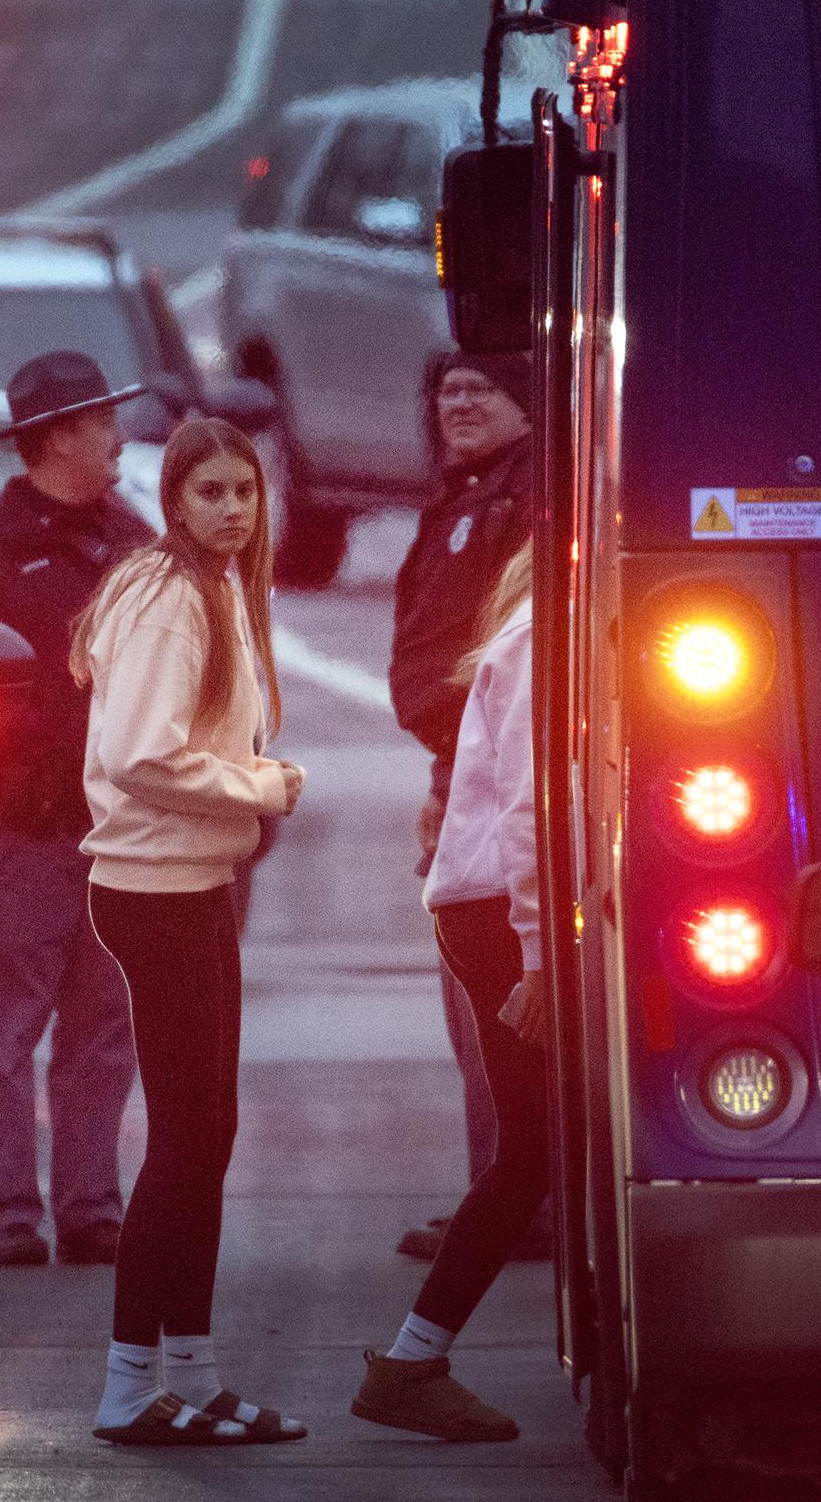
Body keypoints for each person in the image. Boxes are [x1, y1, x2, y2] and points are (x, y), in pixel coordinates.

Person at [72, 416, 307, 1447]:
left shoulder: (212, 586)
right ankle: (129, 1385)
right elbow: (138, 751)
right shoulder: (170, 595)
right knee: (184, 1140)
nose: (230, 508)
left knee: (208, 1134)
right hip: (156, 885)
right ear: (174, 502)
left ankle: (195, 1376)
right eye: (209, 491)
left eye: (243, 491)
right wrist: (262, 785)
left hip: (191, 877)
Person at [0, 351, 153, 1268]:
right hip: (25, 832)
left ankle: (92, 1208)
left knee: (104, 1032)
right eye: (101, 422)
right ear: (57, 436)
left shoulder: (135, 546)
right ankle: (9, 1214)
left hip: (122, 833)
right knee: (3, 1033)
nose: (117, 436)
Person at [353, 548, 544, 1442]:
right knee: (534, 1148)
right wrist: (540, 956)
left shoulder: (526, 630)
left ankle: (412, 1359)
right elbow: (528, 811)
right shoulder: (544, 638)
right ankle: (410, 1361)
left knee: (543, 1144)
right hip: (500, 912)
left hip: (494, 909)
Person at [388, 351, 538, 1262]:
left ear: (528, 403)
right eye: (445, 389)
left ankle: (512, 1194)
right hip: (461, 759)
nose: (459, 403)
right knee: (473, 995)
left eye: (482, 388)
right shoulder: (467, 491)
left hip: (491, 761)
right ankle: (503, 1186)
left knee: (489, 986)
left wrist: (456, 769)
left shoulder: (521, 498)